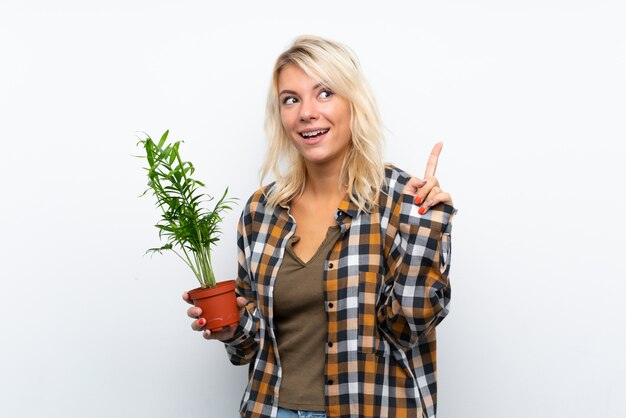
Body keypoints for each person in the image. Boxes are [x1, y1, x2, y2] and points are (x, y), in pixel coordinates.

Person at [183, 35, 457, 418]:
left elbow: (407, 329)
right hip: (269, 408)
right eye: (291, 99)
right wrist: (232, 330)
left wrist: (426, 228)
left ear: (353, 103)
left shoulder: (402, 200)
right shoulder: (261, 210)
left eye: (324, 93)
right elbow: (251, 345)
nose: (306, 113)